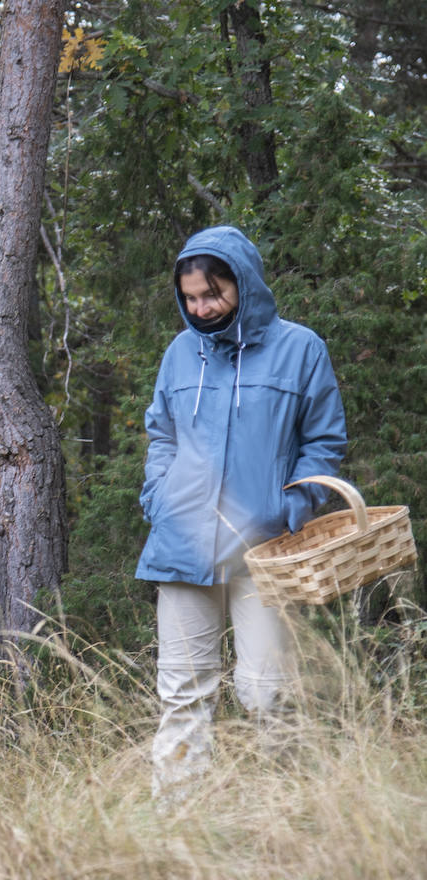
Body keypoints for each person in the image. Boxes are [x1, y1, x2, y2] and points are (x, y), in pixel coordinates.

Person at [136, 225, 347, 800]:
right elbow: (162, 436)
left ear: (244, 285)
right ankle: (178, 822)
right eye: (190, 298)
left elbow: (324, 444)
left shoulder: (301, 349)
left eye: (212, 295)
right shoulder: (181, 353)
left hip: (264, 551)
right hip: (182, 546)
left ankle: (282, 814)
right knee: (184, 692)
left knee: (266, 691)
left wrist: (288, 509)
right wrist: (158, 496)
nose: (200, 308)